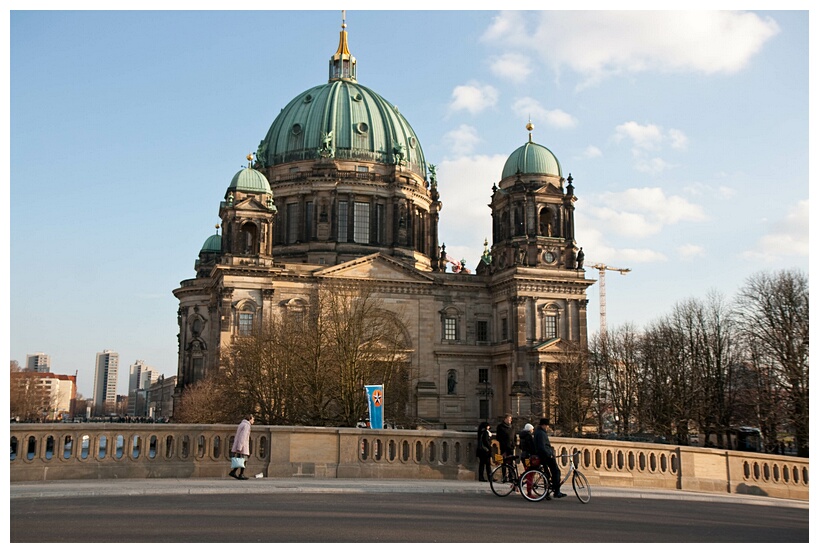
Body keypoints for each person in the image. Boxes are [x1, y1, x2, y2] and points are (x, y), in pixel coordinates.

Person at [534, 418, 565, 498]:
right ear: (543, 425)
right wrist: (550, 454)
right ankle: (557, 491)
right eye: (547, 425)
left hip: (543, 455)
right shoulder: (541, 433)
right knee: (556, 471)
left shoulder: (539, 432)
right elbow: (542, 447)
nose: (547, 427)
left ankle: (547, 492)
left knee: (547, 474)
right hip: (546, 456)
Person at [229, 413, 254, 480]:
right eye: (253, 419)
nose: (253, 421)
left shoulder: (242, 424)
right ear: (250, 419)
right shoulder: (247, 426)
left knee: (240, 460)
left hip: (240, 445)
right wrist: (240, 447)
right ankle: (240, 474)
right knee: (243, 460)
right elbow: (242, 437)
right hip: (243, 446)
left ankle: (234, 472)